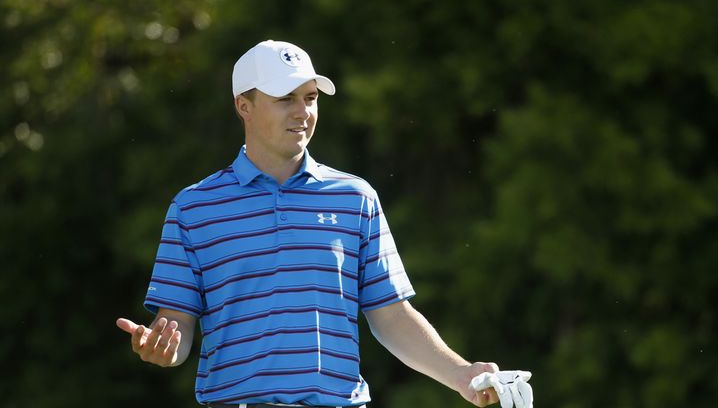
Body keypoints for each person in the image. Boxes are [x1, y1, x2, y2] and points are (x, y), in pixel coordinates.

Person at [116, 40, 501, 408]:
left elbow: (391, 315)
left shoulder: (355, 197)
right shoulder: (194, 207)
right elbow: (177, 323)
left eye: (310, 98)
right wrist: (163, 346)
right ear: (243, 106)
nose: (303, 112)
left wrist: (462, 375)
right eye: (285, 99)